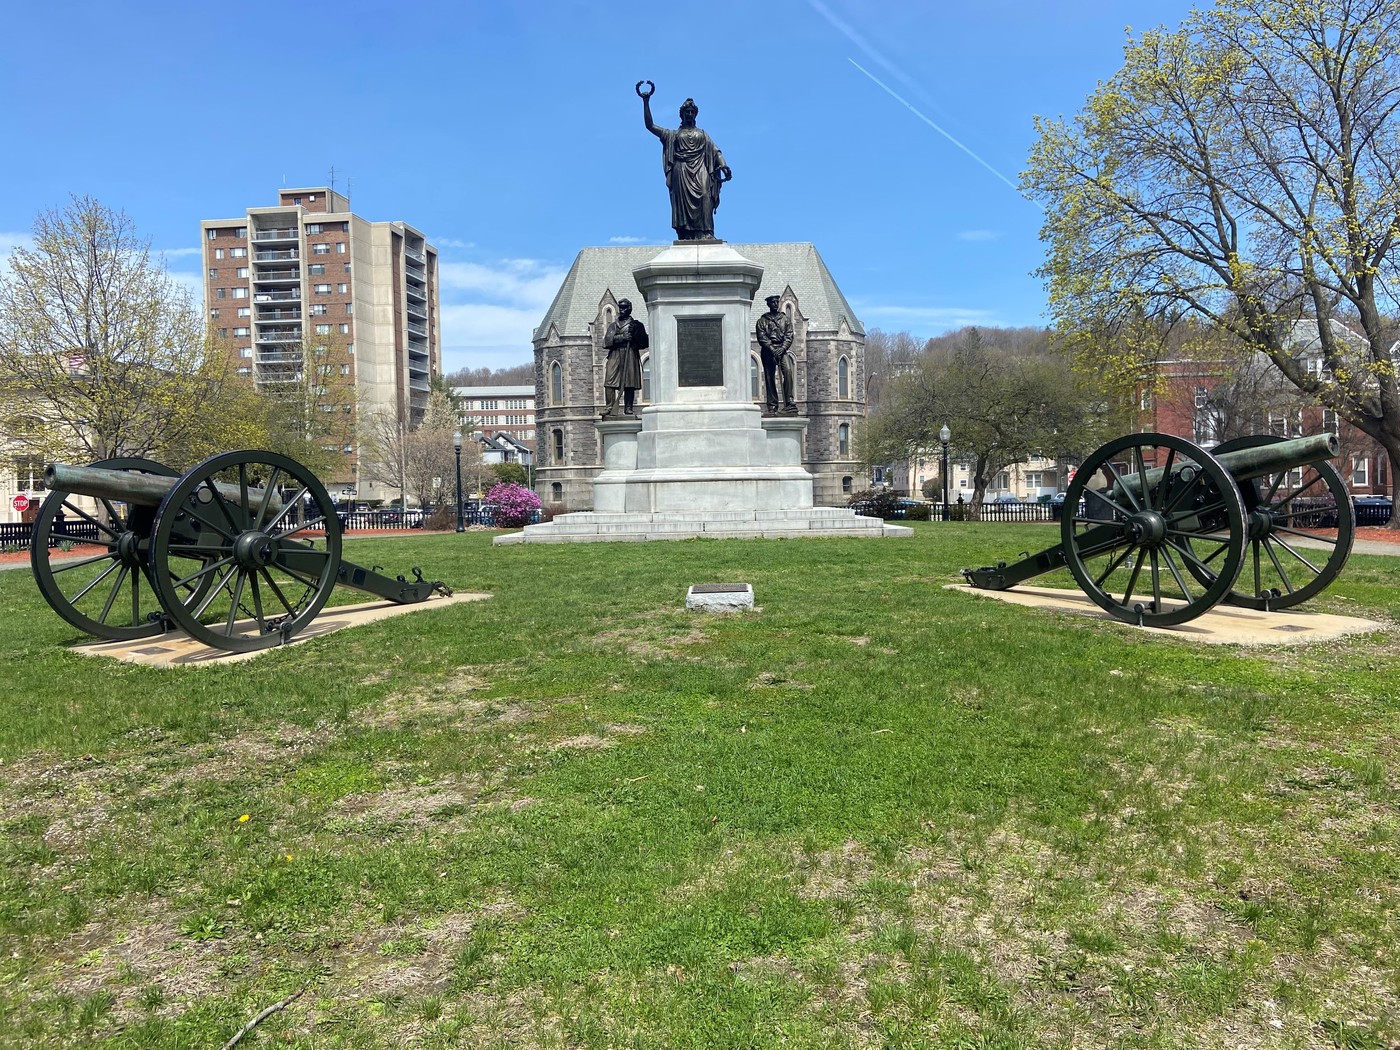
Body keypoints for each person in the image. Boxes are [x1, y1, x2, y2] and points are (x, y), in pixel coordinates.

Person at [637, 81, 732, 241]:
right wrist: (646, 102)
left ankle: (707, 232)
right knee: (682, 205)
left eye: (692, 112)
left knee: (704, 194)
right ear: (682, 114)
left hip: (700, 168)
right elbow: (650, 125)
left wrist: (723, 164)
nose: (689, 114)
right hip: (681, 171)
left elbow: (715, 150)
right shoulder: (672, 135)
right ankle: (686, 234)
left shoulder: (702, 134)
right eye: (686, 112)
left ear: (695, 114)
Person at [602, 298, 648, 417]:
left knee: (629, 382)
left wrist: (636, 334)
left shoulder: (637, 325)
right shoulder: (613, 325)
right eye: (620, 307)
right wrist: (622, 337)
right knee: (609, 380)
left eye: (624, 308)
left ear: (630, 309)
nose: (621, 310)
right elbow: (606, 342)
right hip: (615, 354)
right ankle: (609, 407)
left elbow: (644, 343)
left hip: (630, 353)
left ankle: (628, 407)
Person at [756, 294, 797, 414]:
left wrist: (783, 348)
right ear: (768, 304)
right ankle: (772, 406)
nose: (775, 304)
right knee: (770, 378)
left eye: (776, 302)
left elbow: (789, 335)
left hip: (782, 349)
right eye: (772, 302)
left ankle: (789, 401)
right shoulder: (762, 321)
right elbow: (761, 337)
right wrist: (772, 349)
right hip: (768, 351)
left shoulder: (785, 319)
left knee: (788, 371)